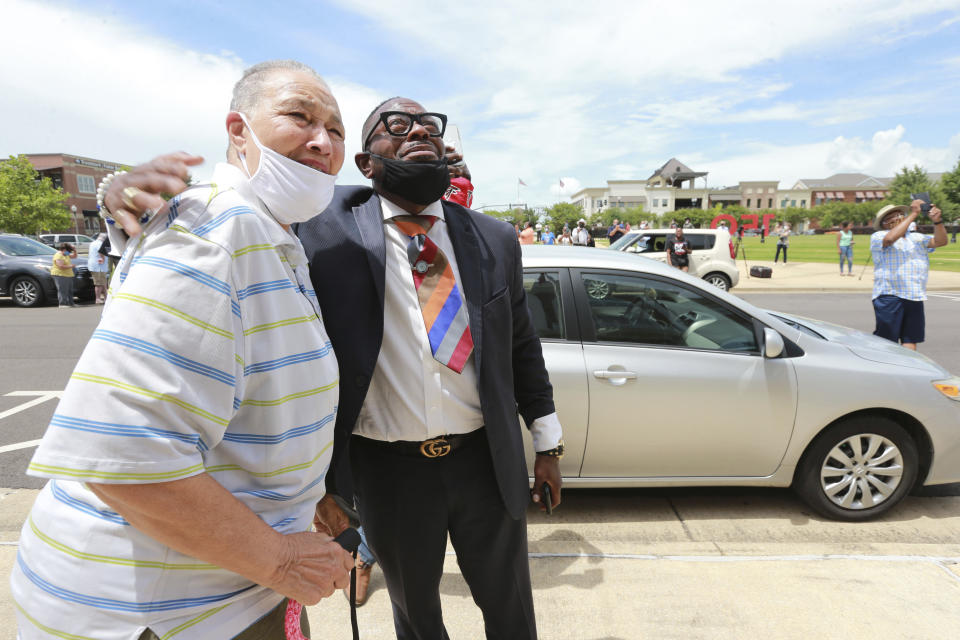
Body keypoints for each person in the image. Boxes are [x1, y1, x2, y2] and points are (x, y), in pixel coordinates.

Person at [108, 96, 564, 640]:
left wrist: (548, 445)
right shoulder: (324, 226)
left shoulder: (493, 238)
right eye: (395, 126)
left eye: (429, 126)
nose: (418, 130)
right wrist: (123, 196)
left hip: (485, 461)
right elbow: (241, 202)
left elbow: (522, 346)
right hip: (389, 471)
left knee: (511, 608)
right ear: (366, 164)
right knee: (417, 616)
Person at [12, 60, 355, 640]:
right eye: (300, 116)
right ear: (238, 130)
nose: (322, 140)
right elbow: (125, 460)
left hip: (221, 593)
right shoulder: (214, 236)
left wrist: (305, 495)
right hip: (168, 615)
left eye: (337, 130)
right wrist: (281, 560)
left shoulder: (272, 235)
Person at [870, 200, 948, 351]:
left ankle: (908, 371)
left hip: (914, 295)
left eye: (899, 214)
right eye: (891, 217)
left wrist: (937, 221)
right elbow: (890, 239)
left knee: (910, 339)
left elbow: (941, 241)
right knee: (887, 342)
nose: (897, 218)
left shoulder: (917, 237)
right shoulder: (879, 235)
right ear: (884, 223)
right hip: (890, 295)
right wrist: (914, 214)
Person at [50, 242, 77, 308]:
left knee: (69, 290)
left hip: (68, 274)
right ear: (64, 249)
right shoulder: (58, 255)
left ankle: (71, 303)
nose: (69, 252)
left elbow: (74, 256)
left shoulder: (66, 254)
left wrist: (74, 250)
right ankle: (62, 304)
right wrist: (71, 266)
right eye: (68, 251)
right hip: (60, 274)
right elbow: (60, 266)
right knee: (62, 290)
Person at [86, 232, 110, 303]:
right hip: (98, 267)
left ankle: (106, 297)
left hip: (98, 266)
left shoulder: (93, 243)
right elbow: (101, 252)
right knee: (99, 283)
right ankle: (98, 298)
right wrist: (103, 259)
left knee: (103, 283)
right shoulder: (99, 244)